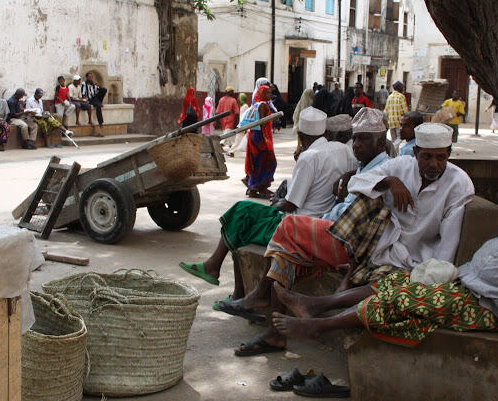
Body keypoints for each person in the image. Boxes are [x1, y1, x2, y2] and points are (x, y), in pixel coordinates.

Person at [270, 150, 498, 348]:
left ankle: (319, 326)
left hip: (497, 305)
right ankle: (318, 304)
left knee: (400, 301)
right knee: (393, 283)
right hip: (470, 283)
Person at [228, 121, 474, 355]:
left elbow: (448, 245)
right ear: (416, 152)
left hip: (415, 260)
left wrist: (431, 278)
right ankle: (276, 322)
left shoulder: (458, 184)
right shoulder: (401, 166)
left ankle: (284, 309)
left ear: (449, 154)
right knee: (290, 239)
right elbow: (357, 182)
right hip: (373, 245)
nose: (434, 164)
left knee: (289, 233)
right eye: (427, 157)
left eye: (441, 157)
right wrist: (389, 181)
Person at [178, 107, 357, 301]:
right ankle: (223, 276)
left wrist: (276, 203)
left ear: (300, 135)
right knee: (243, 213)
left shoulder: (309, 157)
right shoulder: (346, 151)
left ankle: (218, 271)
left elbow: (290, 204)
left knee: (242, 215)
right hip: (322, 222)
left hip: (300, 225)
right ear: (325, 133)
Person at [243, 84, 277, 198]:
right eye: (267, 93)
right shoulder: (262, 105)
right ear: (262, 94)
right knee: (267, 162)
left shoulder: (256, 104)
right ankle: (258, 186)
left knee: (258, 162)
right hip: (260, 138)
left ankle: (255, 186)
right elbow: (262, 122)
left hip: (255, 136)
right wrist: (274, 117)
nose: (270, 95)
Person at [82, 72, 106, 137]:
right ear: (87, 77)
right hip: (89, 99)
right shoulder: (84, 84)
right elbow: (83, 94)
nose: (91, 78)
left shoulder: (93, 84)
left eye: (91, 77)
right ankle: (100, 123)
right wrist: (84, 100)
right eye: (89, 77)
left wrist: (98, 85)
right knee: (98, 106)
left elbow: (98, 89)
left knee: (104, 89)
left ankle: (99, 102)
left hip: (94, 97)